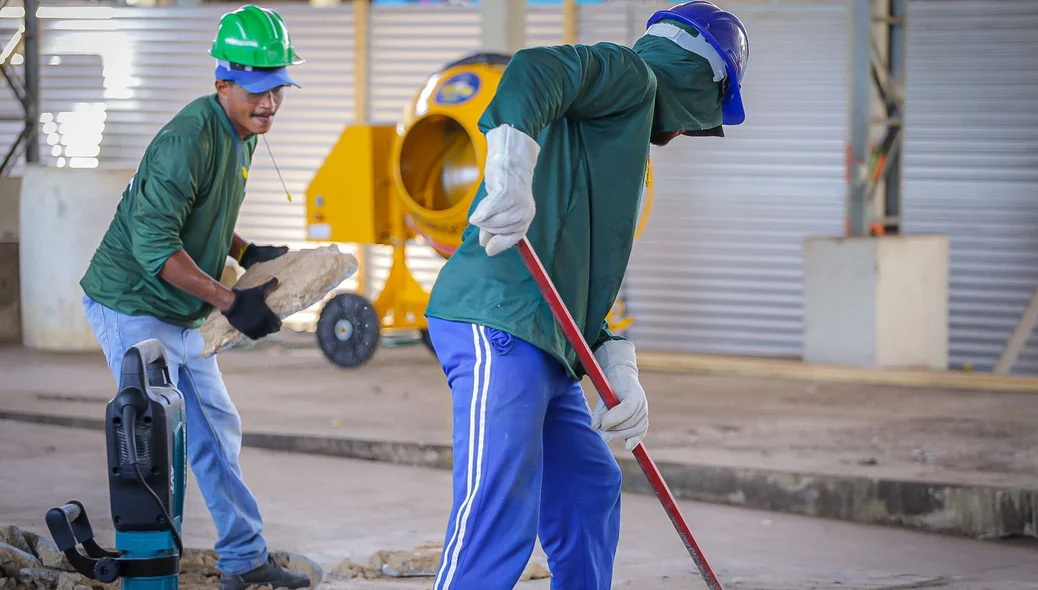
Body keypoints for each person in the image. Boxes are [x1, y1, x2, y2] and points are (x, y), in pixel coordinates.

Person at [421, 2, 750, 588]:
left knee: (588, 487)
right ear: (699, 80)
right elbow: (532, 69)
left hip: (549, 340)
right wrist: (510, 168)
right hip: (500, 316)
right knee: (498, 512)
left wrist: (614, 363)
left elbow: (579, 274)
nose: (688, 132)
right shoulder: (631, 76)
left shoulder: (621, 144)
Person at [78, 5, 310, 590]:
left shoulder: (242, 132)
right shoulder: (190, 138)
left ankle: (242, 559)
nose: (270, 103)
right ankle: (151, 571)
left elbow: (202, 210)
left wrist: (245, 250)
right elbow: (156, 247)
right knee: (152, 439)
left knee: (212, 427)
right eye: (258, 89)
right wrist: (232, 301)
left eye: (277, 87)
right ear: (222, 82)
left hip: (177, 305)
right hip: (130, 302)